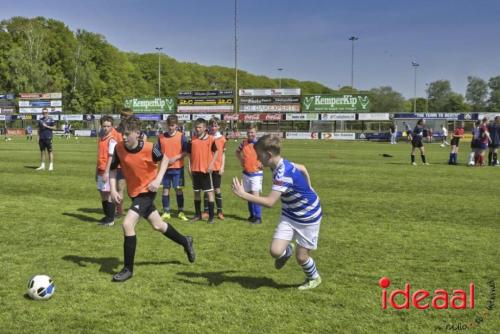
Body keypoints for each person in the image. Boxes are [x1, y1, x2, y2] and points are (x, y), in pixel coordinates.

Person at [109, 116, 195, 282]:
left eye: (127, 134)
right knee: (158, 225)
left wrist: (157, 180)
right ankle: (185, 241)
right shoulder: (119, 148)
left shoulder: (149, 147)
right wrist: (113, 189)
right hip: (135, 193)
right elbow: (112, 170)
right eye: (122, 133)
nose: (124, 137)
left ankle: (128, 269)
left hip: (147, 191)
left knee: (127, 224)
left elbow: (164, 160)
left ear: (137, 133)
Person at [231, 135, 323, 290]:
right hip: (289, 213)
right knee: (275, 251)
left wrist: (243, 194)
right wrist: (310, 187)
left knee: (302, 258)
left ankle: (314, 278)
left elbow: (270, 202)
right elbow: (303, 168)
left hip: (308, 216)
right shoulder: (280, 164)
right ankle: (287, 251)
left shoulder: (283, 173)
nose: (258, 160)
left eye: (259, 157)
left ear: (268, 155)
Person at [187, 118, 219, 224]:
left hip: (205, 170)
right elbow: (189, 154)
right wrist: (189, 166)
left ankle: (211, 217)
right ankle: (197, 215)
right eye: (196, 127)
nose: (198, 129)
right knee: (196, 193)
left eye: (200, 127)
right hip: (195, 170)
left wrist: (211, 164)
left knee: (210, 193)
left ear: (205, 128)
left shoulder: (210, 139)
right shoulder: (192, 139)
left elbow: (216, 152)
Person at [157, 115, 189, 221]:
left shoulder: (181, 136)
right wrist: (163, 159)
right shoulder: (161, 137)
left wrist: (175, 157)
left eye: (173, 125)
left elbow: (186, 151)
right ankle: (166, 212)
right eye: (169, 125)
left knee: (178, 190)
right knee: (165, 190)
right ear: (166, 125)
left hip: (177, 168)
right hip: (164, 169)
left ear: (176, 125)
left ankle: (180, 212)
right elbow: (157, 152)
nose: (171, 128)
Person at [235, 124, 263, 224]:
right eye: (248, 132)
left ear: (256, 133)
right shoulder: (244, 143)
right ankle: (252, 215)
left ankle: (258, 217)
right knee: (248, 195)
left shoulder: (260, 143)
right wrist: (241, 160)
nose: (250, 134)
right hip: (246, 172)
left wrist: (262, 162)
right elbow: (237, 152)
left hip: (256, 173)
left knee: (255, 195)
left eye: (252, 132)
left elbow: (267, 154)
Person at [202, 118, 227, 220]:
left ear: (218, 127)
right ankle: (206, 211)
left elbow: (223, 154)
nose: (213, 128)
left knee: (217, 189)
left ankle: (220, 211)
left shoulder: (222, 138)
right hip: (207, 167)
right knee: (207, 189)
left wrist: (222, 166)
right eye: (212, 126)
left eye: (215, 126)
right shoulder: (206, 137)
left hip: (217, 167)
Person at [96, 115, 117, 226]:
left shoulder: (112, 140)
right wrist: (96, 171)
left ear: (112, 126)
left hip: (106, 171)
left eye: (108, 126)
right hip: (100, 170)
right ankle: (107, 216)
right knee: (102, 193)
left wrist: (106, 172)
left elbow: (110, 157)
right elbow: (99, 156)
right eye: (104, 126)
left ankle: (111, 219)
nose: (106, 128)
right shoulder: (101, 139)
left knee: (108, 194)